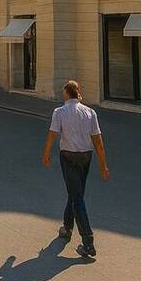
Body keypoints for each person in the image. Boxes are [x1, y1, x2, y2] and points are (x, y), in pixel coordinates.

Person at [41, 80, 110, 258]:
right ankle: (67, 227)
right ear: (78, 93)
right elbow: (98, 141)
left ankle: (88, 242)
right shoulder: (90, 112)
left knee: (77, 197)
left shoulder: (60, 112)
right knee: (75, 193)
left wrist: (46, 153)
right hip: (86, 157)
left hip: (68, 157)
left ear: (66, 93)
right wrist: (103, 164)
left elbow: (52, 134)